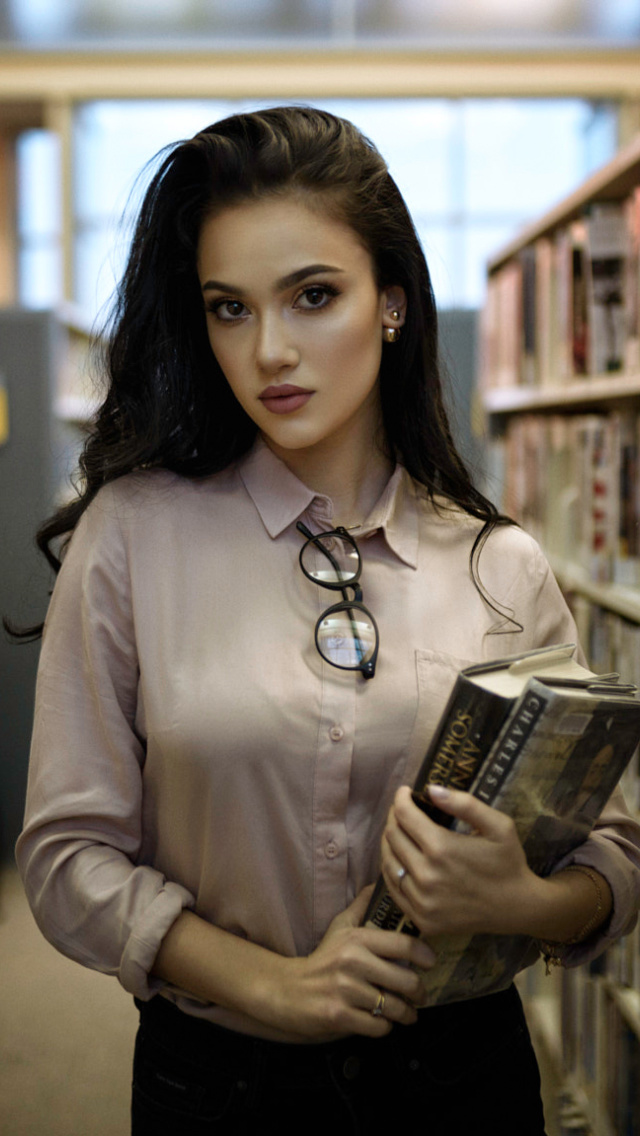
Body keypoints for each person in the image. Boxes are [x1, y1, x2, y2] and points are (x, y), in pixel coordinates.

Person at [15, 106, 640, 1136]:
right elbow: (66, 854)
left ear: (392, 302)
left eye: (313, 296)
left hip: (463, 1080)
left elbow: (615, 851)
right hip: (219, 1082)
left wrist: (522, 901)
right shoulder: (131, 535)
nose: (269, 350)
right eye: (228, 307)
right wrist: (274, 984)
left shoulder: (502, 565)